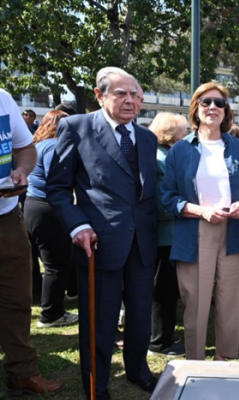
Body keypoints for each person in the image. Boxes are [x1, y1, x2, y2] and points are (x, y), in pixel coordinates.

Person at [46, 67, 159, 399]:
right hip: (97, 243)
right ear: (99, 95)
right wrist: (78, 225)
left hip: (141, 243)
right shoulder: (76, 128)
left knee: (140, 315)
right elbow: (57, 188)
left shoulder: (148, 137)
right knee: (99, 321)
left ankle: (138, 370)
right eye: (121, 93)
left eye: (136, 94)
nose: (130, 101)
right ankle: (98, 382)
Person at [161, 82, 239, 361]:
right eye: (206, 102)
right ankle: (196, 362)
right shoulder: (180, 150)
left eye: (219, 103)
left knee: (229, 300)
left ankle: (226, 360)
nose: (213, 107)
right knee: (196, 303)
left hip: (233, 230)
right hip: (195, 231)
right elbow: (168, 198)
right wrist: (201, 211)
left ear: (226, 111)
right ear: (196, 109)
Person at [0, 89, 65, 396]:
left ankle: (22, 373)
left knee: (17, 298)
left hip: (8, 215)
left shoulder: (2, 98)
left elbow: (26, 149)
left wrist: (22, 172)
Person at [23, 110, 79, 329]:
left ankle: (53, 303)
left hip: (32, 206)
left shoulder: (38, 145)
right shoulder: (54, 147)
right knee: (55, 264)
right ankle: (51, 315)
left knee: (48, 262)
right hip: (47, 208)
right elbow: (56, 179)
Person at [147, 112, 188, 357]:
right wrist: (184, 209)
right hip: (165, 234)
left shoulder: (161, 155)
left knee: (165, 287)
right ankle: (159, 342)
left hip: (166, 233)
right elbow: (163, 200)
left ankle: (164, 333)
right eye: (184, 131)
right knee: (164, 289)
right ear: (172, 134)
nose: (187, 136)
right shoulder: (162, 159)